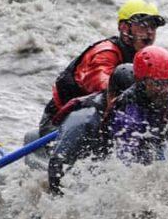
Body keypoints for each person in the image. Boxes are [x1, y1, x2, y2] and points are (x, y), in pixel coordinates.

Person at [38, 0, 165, 135]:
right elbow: (104, 84)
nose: (150, 32)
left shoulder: (147, 58)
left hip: (98, 115)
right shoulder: (105, 53)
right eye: (143, 25)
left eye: (153, 27)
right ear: (124, 28)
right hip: (58, 122)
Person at [47, 64, 135, 194]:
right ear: (112, 95)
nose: (129, 108)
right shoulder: (83, 119)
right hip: (75, 167)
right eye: (126, 102)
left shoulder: (134, 111)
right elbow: (57, 164)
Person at [109, 46, 168, 165]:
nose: (165, 90)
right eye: (158, 83)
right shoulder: (129, 117)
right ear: (140, 81)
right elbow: (126, 164)